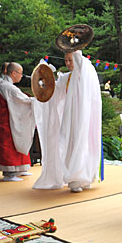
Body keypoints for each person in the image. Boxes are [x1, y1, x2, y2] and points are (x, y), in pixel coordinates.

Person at [33, 50, 102, 192]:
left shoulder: (86, 71)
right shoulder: (66, 78)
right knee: (72, 144)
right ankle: (75, 179)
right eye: (66, 61)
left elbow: (81, 62)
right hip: (71, 119)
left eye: (71, 60)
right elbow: (54, 91)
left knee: (86, 145)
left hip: (86, 117)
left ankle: (85, 177)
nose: (68, 63)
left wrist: (75, 48)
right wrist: (46, 78)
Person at [0, 62, 36, 181]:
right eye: (20, 73)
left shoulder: (2, 83)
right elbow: (22, 100)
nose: (22, 76)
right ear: (14, 73)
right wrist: (36, 101)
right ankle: (9, 174)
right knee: (8, 145)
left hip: (4, 119)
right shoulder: (6, 86)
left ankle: (20, 169)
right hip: (4, 122)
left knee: (17, 143)